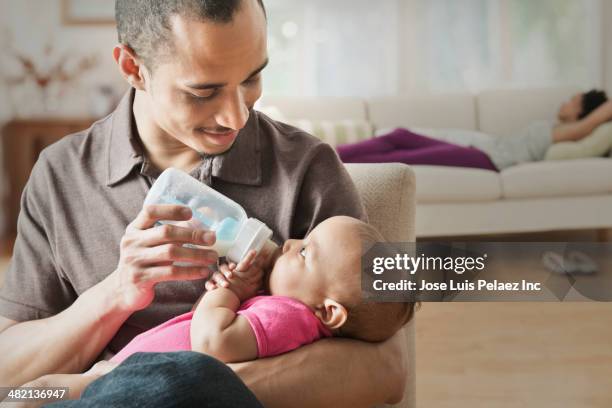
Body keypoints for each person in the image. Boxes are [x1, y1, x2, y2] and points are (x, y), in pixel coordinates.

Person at [0, 1, 409, 407]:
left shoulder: (306, 168)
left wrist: (181, 386)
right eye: (204, 91)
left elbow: (386, 369)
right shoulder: (61, 174)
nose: (236, 117)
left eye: (252, 78)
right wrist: (117, 292)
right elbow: (10, 378)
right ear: (132, 68)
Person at [31, 217, 415, 403]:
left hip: (133, 378)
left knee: (38, 392)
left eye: (304, 251)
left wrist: (228, 291)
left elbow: (212, 344)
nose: (288, 243)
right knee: (39, 392)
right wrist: (221, 297)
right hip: (128, 370)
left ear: (329, 312)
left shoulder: (289, 316)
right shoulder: (282, 311)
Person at [339, 89, 612, 171]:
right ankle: (332, 153)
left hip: (487, 159)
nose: (565, 100)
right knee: (399, 136)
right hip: (480, 150)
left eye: (573, 100)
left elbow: (594, 122)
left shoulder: (569, 132)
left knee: (399, 152)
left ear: (581, 111)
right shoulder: (555, 127)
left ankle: (332, 158)